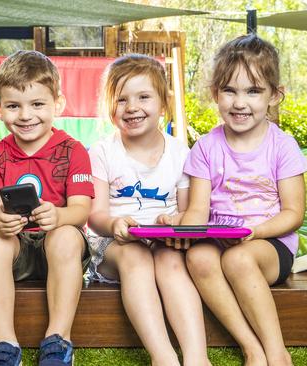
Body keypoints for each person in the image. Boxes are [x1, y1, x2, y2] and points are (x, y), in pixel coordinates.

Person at [181, 34, 307, 366]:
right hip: (221, 241)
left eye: (253, 91)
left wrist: (257, 231)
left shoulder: (282, 146)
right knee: (198, 259)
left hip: (270, 243)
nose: (240, 103)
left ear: (274, 96)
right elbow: (197, 210)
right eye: (230, 91)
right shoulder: (206, 148)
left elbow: (294, 213)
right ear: (215, 94)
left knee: (238, 260)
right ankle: (251, 347)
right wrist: (181, 230)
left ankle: (277, 353)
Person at [87, 54, 210, 366]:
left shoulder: (182, 153)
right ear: (109, 106)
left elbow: (187, 213)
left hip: (162, 242)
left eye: (143, 97)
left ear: (163, 103)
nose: (132, 108)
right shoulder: (102, 152)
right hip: (115, 246)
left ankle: (197, 357)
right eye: (121, 100)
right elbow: (95, 215)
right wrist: (113, 224)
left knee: (171, 263)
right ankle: (163, 357)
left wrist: (176, 222)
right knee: (137, 257)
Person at [0, 50, 94, 366]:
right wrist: (0, 221)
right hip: (16, 248)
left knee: (66, 235)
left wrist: (58, 215)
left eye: (37, 104)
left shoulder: (74, 151)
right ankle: (5, 343)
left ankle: (58, 340)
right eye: (14, 106)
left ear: (58, 104)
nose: (26, 115)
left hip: (59, 251)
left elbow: (82, 210)